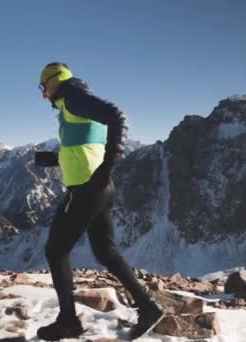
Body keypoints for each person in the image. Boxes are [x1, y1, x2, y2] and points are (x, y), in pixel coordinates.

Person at [35, 62, 164, 341]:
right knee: (106, 252)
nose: (43, 94)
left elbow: (117, 116)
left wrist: (108, 165)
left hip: (87, 189)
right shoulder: (75, 103)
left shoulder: (73, 97)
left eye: (42, 87)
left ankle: (68, 322)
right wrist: (55, 159)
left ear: (54, 82)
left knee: (56, 252)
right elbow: (85, 145)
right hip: (101, 189)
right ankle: (148, 307)